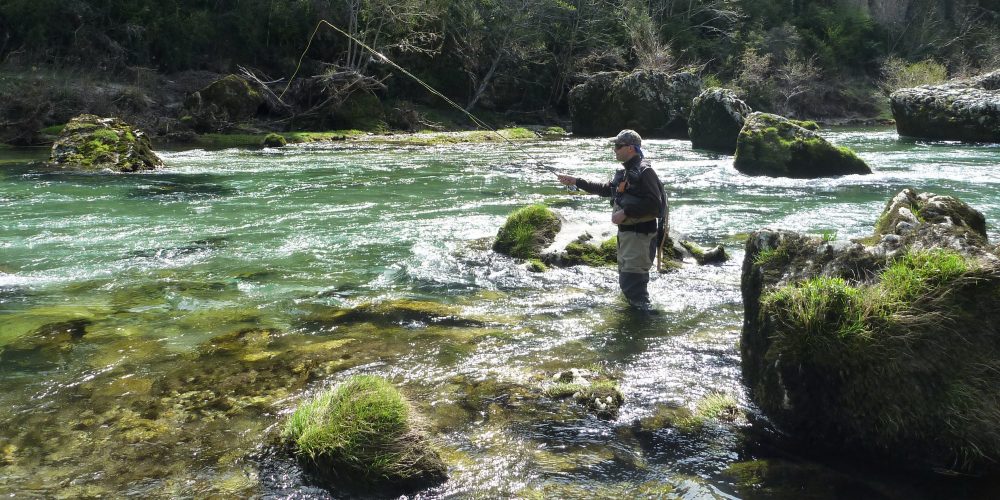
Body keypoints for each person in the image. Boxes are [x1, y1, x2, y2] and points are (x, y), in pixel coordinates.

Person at [557, 129, 666, 310]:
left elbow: (655, 204)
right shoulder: (626, 172)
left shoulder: (645, 172)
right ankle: (640, 324)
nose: (614, 150)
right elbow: (606, 189)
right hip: (627, 237)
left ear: (631, 148)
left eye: (618, 146)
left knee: (633, 286)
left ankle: (646, 325)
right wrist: (576, 181)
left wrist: (625, 212)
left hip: (640, 237)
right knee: (628, 285)